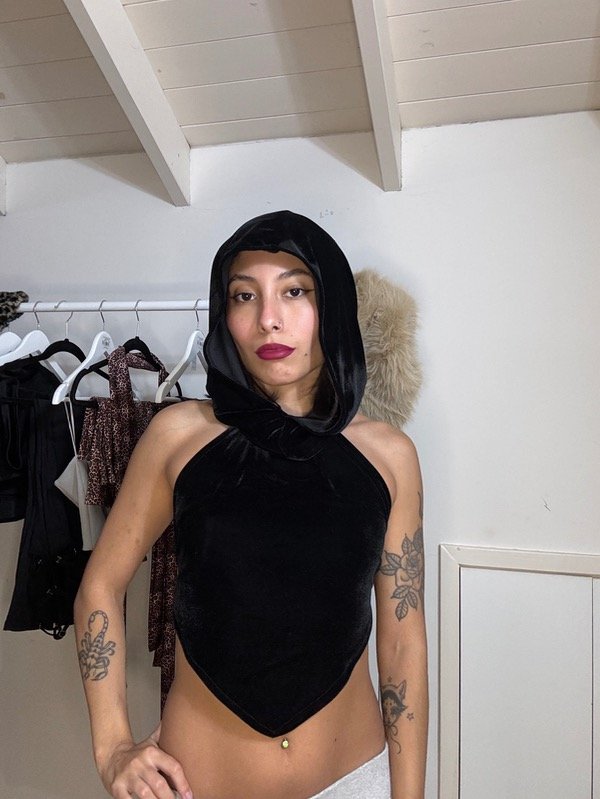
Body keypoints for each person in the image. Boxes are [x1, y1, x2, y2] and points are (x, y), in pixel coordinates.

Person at [74, 210, 428, 799]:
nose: (268, 318)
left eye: (295, 290)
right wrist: (112, 747)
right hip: (194, 785)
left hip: (352, 782)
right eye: (244, 295)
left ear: (334, 304)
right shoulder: (176, 436)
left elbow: (403, 641)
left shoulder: (390, 456)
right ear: (225, 313)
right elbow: (100, 587)